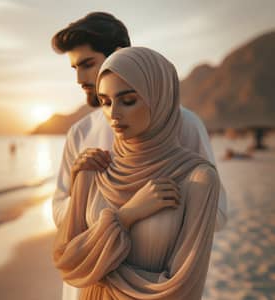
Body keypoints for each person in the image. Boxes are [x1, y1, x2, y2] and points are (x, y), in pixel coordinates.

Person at [51, 12, 227, 299]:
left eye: (87, 64)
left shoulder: (184, 125)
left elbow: (215, 215)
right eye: (74, 69)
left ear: (120, 56)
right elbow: (62, 216)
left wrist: (166, 199)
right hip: (82, 288)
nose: (81, 79)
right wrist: (85, 190)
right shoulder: (80, 133)